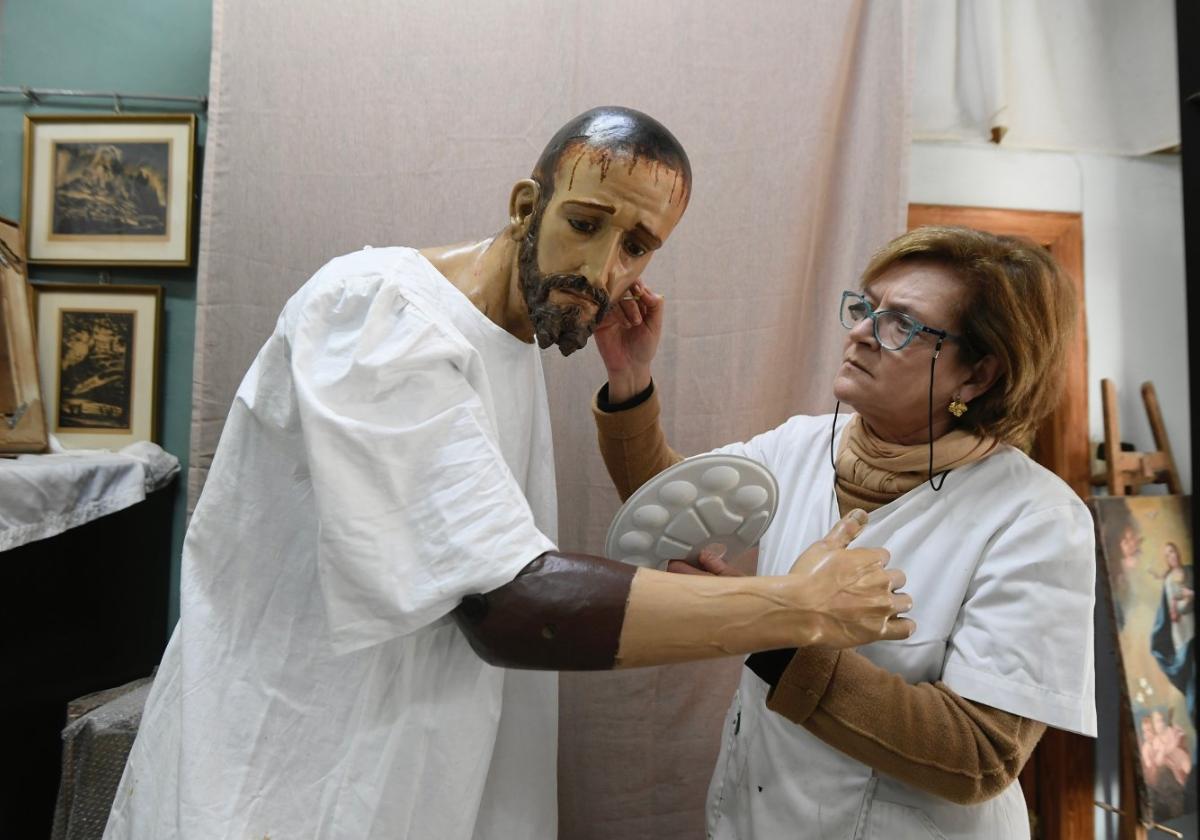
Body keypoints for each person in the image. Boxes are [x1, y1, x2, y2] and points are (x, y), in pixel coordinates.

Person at [103, 107, 912, 840]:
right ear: (527, 204)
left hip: (397, 771)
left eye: (635, 246)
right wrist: (795, 606)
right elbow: (513, 603)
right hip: (290, 778)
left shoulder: (507, 341)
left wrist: (630, 386)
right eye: (585, 224)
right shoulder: (383, 313)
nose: (602, 271)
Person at [592, 225, 1097, 839]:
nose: (859, 331)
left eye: (900, 324)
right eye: (865, 308)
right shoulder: (800, 445)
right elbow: (672, 512)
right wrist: (629, 378)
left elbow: (980, 755)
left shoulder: (1035, 518)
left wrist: (773, 629)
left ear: (979, 375)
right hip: (756, 816)